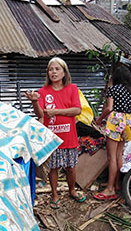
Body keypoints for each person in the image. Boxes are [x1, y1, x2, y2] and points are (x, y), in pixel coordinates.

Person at [25, 57, 86, 209]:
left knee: (71, 167)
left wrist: (55, 111)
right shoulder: (42, 92)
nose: (53, 72)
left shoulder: (72, 88)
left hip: (69, 137)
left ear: (64, 72)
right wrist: (34, 101)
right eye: (51, 69)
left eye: (57, 69)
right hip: (52, 138)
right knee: (54, 168)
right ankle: (54, 194)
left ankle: (71, 190)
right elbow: (41, 114)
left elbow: (77, 110)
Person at [94, 65, 131, 200]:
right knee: (119, 156)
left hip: (116, 121)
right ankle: (117, 184)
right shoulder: (130, 92)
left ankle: (110, 189)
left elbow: (109, 108)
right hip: (127, 122)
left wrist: (99, 119)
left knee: (111, 157)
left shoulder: (113, 90)